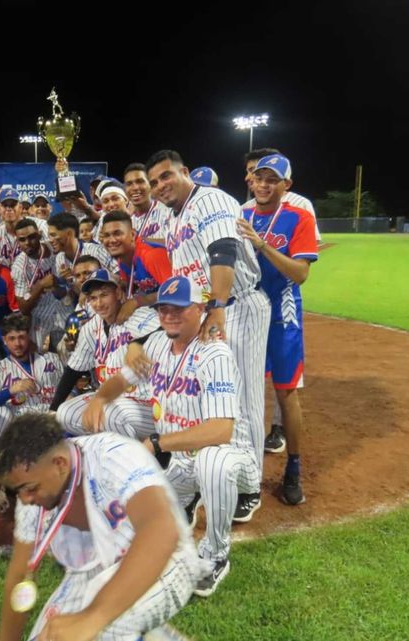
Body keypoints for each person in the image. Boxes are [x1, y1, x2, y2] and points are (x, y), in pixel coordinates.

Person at [85, 275, 261, 597]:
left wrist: (156, 443)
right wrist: (99, 398)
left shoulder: (214, 353)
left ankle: (215, 555)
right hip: (182, 463)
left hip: (232, 456)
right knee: (136, 522)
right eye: (164, 309)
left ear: (200, 309)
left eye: (179, 308)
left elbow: (221, 430)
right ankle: (188, 498)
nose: (169, 315)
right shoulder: (156, 345)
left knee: (212, 461)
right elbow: (122, 380)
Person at [0, 412, 205, 641]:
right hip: (95, 568)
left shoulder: (113, 456)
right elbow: (20, 576)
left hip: (168, 557)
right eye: (19, 491)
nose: (25, 499)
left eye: (30, 488)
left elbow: (162, 531)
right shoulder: (34, 494)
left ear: (59, 464)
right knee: (55, 636)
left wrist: (91, 619)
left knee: (104, 628)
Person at [145, 149, 270, 523]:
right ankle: (206, 474)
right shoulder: (172, 217)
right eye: (154, 182)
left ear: (184, 172)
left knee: (242, 399)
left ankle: (249, 486)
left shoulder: (210, 199)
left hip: (235, 305)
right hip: (206, 310)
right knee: (210, 395)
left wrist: (217, 306)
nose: (160, 186)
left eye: (166, 176)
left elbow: (223, 251)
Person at [238, 154, 318, 505]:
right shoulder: (240, 215)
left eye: (273, 180)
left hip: (282, 316)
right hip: (246, 313)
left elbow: (300, 273)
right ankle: (245, 466)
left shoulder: (298, 217)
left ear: (287, 185)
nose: (264, 185)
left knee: (285, 392)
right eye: (260, 178)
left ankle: (293, 468)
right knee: (245, 391)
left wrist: (261, 244)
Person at [50, 269, 159, 440]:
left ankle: (140, 453)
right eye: (93, 298)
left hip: (145, 401)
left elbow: (165, 331)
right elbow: (73, 370)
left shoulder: (138, 315)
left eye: (104, 295)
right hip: (111, 398)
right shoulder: (91, 327)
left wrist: (137, 343)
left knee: (109, 413)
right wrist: (53, 409)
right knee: (65, 413)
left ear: (118, 293)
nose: (99, 303)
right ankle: (109, 446)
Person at [0, 314, 64, 469]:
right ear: (4, 340)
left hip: (50, 416)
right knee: (2, 413)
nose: (17, 343)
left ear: (29, 336)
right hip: (20, 421)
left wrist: (69, 398)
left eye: (21, 337)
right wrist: (10, 390)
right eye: (12, 339)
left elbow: (69, 389)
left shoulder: (51, 360)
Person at [99, 210, 172, 323]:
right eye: (107, 235)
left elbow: (174, 291)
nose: (112, 240)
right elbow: (128, 284)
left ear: (132, 235)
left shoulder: (151, 255)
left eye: (117, 233)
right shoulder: (123, 257)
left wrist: (137, 301)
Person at [11, 217, 70, 350]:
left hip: (63, 309)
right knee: (40, 358)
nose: (27, 243)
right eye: (22, 240)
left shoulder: (54, 247)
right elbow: (23, 307)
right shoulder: (19, 267)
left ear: (39, 235)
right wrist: (41, 285)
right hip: (40, 318)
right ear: (17, 241)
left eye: (31, 237)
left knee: (68, 353)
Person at [0, 187, 49, 268]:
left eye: (13, 205)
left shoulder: (40, 226)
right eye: (5, 205)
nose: (8, 209)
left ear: (20, 207)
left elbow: (52, 256)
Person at [122, 162, 170, 242]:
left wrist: (140, 241)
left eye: (140, 181)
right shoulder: (126, 220)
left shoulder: (167, 211)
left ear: (150, 185)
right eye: (129, 184)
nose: (135, 187)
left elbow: (175, 243)